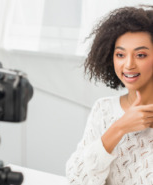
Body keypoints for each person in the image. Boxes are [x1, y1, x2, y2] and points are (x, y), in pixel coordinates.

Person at [65, 6, 153, 185]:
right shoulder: (103, 110)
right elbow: (76, 179)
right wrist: (119, 128)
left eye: (140, 55)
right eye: (120, 54)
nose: (128, 65)